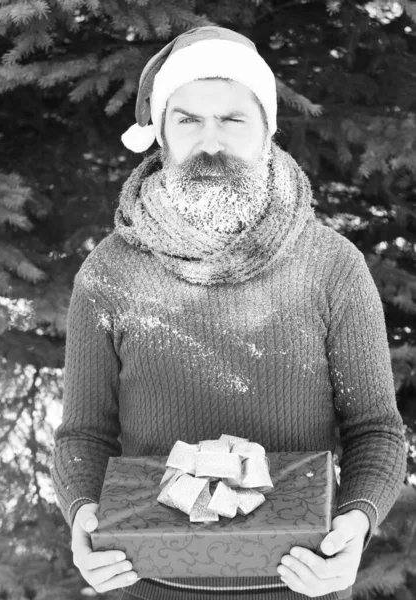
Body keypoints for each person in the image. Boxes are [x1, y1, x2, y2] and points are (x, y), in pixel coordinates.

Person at [50, 25, 407, 600]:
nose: (209, 141)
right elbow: (84, 436)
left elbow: (376, 431)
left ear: (267, 130)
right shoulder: (110, 271)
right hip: (145, 583)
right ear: (161, 134)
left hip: (300, 584)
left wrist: (357, 522)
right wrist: (83, 519)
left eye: (233, 119)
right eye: (187, 119)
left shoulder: (332, 265)